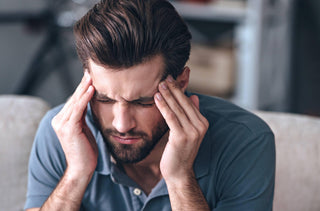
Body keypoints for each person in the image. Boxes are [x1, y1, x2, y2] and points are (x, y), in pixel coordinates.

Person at [24, 0, 275, 210]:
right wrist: (76, 174)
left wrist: (179, 179)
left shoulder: (245, 141)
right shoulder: (62, 132)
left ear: (182, 82)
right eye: (105, 99)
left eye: (143, 101)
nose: (122, 124)